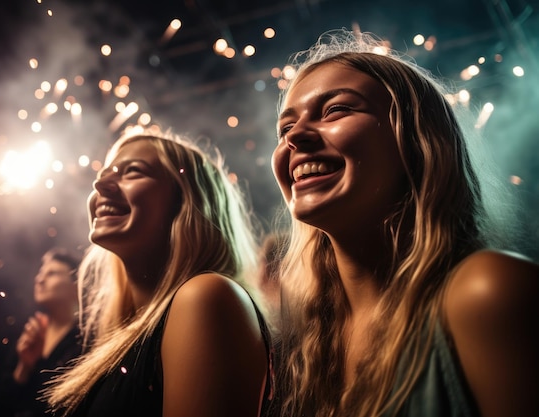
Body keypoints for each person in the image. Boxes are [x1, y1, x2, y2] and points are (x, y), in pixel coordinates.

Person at [271, 29, 539, 417]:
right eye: (284, 128)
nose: (295, 137)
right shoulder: (307, 340)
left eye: (336, 110)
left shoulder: (488, 290)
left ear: (417, 139)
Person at [44, 128, 272, 417]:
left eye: (133, 172)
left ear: (187, 202)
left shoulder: (205, 295)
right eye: (107, 172)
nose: (101, 184)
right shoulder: (129, 329)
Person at [0, 247, 83, 417]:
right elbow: (1, 405)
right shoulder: (30, 330)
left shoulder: (87, 337)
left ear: (76, 285)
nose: (39, 279)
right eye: (41, 272)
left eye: (52, 273)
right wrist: (24, 366)